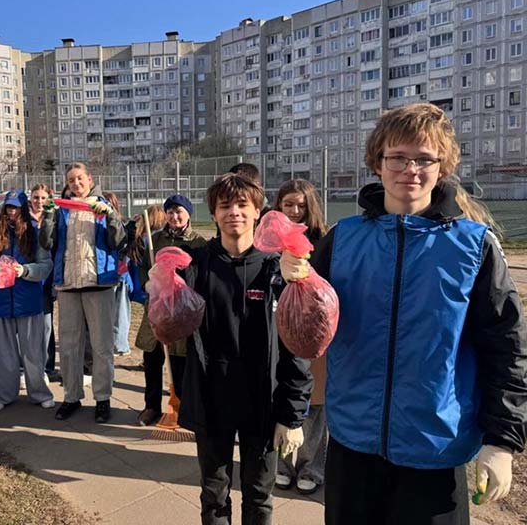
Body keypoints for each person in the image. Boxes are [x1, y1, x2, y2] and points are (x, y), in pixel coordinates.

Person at [289, 104, 527, 523]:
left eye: (424, 158)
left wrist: (502, 440)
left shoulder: (475, 246)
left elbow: (506, 345)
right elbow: (302, 329)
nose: (410, 169)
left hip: (435, 450)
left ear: (443, 166)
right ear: (378, 162)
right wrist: (291, 279)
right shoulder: (342, 240)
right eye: (398, 157)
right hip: (353, 444)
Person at [178, 173, 312, 524]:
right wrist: (161, 287)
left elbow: (297, 346)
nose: (233, 212)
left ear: (257, 212)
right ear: (213, 214)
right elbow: (170, 325)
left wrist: (292, 415)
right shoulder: (195, 265)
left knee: (259, 496)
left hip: (263, 402)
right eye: (224, 206)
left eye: (242, 205)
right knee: (213, 496)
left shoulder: (278, 268)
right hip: (212, 399)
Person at [40, 162, 126, 423]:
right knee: (68, 347)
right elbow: (47, 243)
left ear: (90, 179)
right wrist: (48, 216)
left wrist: (111, 216)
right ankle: (71, 396)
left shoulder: (102, 206)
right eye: (71, 180)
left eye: (80, 178)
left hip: (98, 284)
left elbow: (118, 241)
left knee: (101, 347)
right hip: (68, 285)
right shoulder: (62, 209)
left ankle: (103, 398)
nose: (76, 184)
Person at [271, 179, 328, 495]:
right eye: (288, 204)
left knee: (314, 402)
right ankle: (280, 463)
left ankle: (312, 466)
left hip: (313, 333)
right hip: (278, 329)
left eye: (301, 205)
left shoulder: (323, 241)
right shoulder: (268, 241)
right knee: (279, 394)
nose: (294, 211)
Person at [0, 190, 54, 412]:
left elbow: (46, 265)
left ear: (24, 209)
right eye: (9, 207)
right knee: (1, 353)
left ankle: (39, 393)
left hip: (28, 301)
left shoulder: (35, 233)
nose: (12, 212)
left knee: (34, 352)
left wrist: (25, 271)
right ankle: (2, 394)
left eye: (16, 208)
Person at [135, 195, 205, 427]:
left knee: (179, 360)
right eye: (170, 212)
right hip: (157, 307)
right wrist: (149, 284)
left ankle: (183, 408)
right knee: (153, 358)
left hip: (182, 311)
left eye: (179, 212)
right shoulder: (155, 240)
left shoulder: (198, 243)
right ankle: (151, 406)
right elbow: (144, 268)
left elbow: (200, 275)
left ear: (188, 214)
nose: (174, 217)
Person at [28, 183, 61, 381]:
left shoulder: (54, 219)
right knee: (29, 326)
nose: (39, 201)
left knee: (47, 325)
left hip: (48, 280)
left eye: (42, 198)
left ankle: (48, 367)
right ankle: (28, 367)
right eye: (35, 197)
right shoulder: (25, 220)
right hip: (28, 277)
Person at [103, 191, 132, 357]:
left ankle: (120, 344)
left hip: (119, 273)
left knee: (120, 311)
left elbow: (122, 246)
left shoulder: (119, 224)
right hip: (105, 274)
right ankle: (114, 342)